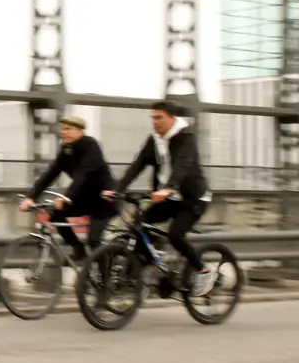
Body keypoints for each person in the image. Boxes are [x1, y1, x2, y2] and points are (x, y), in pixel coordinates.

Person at [103, 100, 215, 297]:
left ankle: (203, 270)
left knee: (176, 235)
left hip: (193, 199)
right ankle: (141, 272)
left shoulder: (186, 137)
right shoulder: (154, 141)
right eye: (152, 118)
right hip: (168, 198)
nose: (155, 122)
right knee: (139, 224)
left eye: (159, 117)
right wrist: (117, 189)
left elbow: (183, 165)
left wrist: (169, 188)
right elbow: (136, 166)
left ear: (172, 118)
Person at [19, 115, 116, 264]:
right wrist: (31, 197)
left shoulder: (91, 146)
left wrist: (67, 196)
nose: (63, 132)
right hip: (84, 199)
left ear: (80, 131)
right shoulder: (66, 149)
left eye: (68, 129)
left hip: (104, 200)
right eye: (63, 129)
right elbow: (50, 174)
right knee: (56, 214)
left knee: (94, 240)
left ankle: (106, 281)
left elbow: (83, 174)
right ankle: (78, 248)